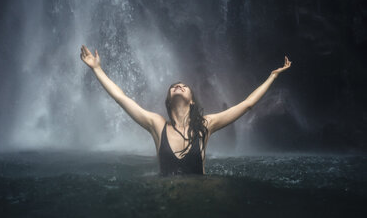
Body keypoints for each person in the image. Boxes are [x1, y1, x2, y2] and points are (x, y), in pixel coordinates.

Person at [80, 45, 292, 176]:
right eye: (174, 86)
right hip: (167, 200)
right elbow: (121, 98)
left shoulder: (206, 125)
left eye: (184, 86)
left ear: (191, 100)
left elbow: (247, 104)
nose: (178, 86)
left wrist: (272, 76)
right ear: (169, 101)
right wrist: (97, 69)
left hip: (199, 200)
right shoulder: (156, 124)